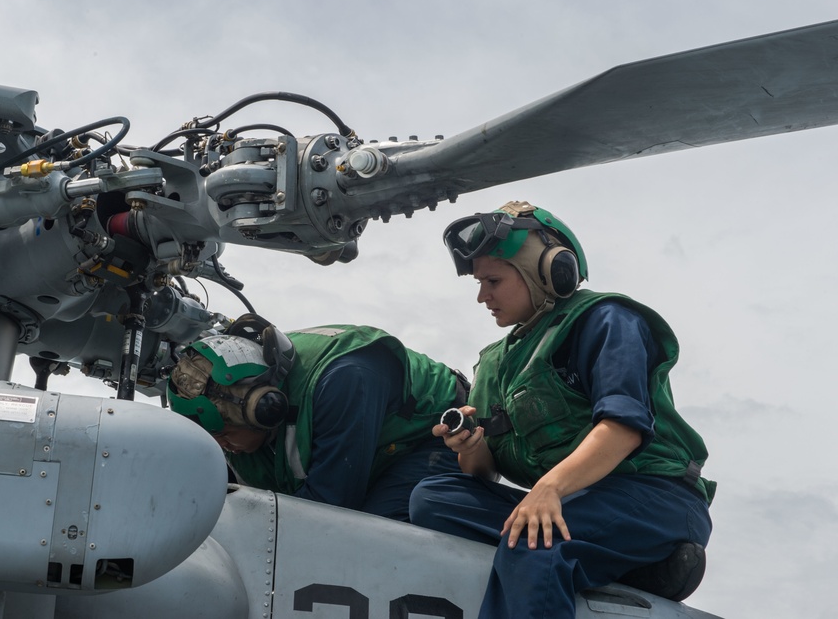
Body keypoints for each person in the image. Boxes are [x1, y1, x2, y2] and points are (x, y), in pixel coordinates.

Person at [408, 201, 715, 618]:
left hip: (655, 496)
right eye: (479, 283)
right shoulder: (495, 362)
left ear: (550, 271)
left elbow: (623, 429)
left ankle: (589, 561)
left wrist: (549, 489)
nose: (482, 296)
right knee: (432, 499)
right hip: (574, 501)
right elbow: (484, 473)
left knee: (534, 541)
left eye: (493, 280)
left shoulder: (605, 319)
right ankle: (624, 565)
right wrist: (470, 447)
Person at [167, 313, 467, 522]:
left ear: (266, 408)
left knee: (373, 531)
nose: (220, 445)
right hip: (372, 440)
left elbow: (328, 508)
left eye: (223, 434)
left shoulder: (344, 381)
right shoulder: (250, 420)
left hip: (440, 436)